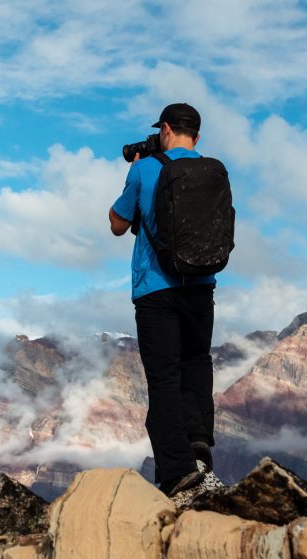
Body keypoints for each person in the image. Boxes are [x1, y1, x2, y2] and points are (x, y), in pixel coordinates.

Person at [108, 103, 219, 497]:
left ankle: (176, 474)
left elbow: (118, 225)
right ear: (197, 136)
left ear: (166, 129)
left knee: (164, 377)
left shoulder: (144, 169)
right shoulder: (211, 172)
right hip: (201, 285)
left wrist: (134, 171)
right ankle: (199, 449)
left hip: (156, 290)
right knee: (196, 364)